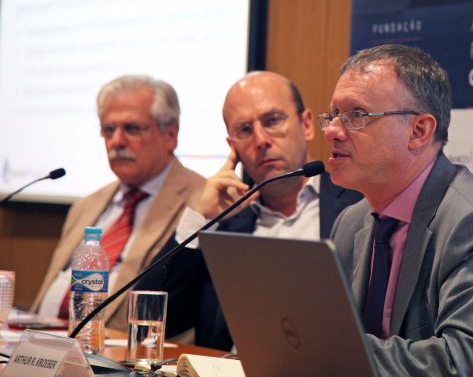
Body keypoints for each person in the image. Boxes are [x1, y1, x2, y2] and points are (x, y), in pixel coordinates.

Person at [321, 44, 473, 375]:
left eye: (357, 115)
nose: (332, 131)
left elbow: (464, 364)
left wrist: (333, 349)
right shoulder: (350, 223)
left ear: (418, 131)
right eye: (333, 115)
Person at [138, 71, 362, 350]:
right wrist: (201, 219)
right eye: (244, 130)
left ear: (306, 125)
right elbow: (149, 318)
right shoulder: (224, 225)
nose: (260, 140)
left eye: (272, 121)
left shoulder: (358, 209)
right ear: (233, 147)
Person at [32, 75, 206, 331]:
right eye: (108, 129)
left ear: (170, 134)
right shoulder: (86, 206)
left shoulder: (203, 202)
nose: (116, 141)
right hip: (42, 339)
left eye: (132, 128)